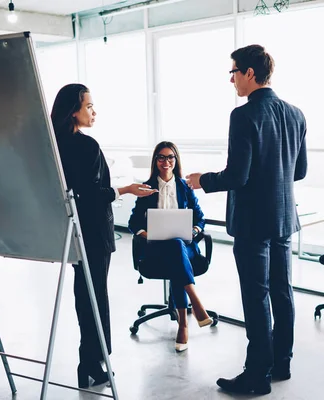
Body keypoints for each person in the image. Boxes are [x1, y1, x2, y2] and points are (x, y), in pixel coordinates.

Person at [186, 44, 308, 395]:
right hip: (284, 219)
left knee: (256, 298)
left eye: (234, 72)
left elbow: (237, 177)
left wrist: (203, 180)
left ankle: (257, 375)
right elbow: (298, 171)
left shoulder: (243, 115)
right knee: (283, 292)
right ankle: (281, 362)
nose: (232, 80)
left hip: (254, 223)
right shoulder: (296, 114)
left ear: (250, 74)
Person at [50, 83, 157, 388]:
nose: (94, 112)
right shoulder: (86, 146)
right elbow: (94, 196)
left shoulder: (53, 146)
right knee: (96, 296)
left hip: (70, 231)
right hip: (94, 233)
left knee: (84, 294)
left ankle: (89, 361)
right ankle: (96, 362)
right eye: (89, 106)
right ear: (74, 110)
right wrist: (125, 188)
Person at [128, 141, 214, 352]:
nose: (166, 162)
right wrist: (147, 234)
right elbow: (133, 222)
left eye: (170, 157)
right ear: (155, 161)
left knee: (176, 247)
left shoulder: (185, 187)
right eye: (161, 157)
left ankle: (183, 324)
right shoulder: (147, 188)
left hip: (184, 247)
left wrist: (194, 231)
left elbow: (200, 218)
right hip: (156, 249)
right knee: (173, 249)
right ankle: (194, 306)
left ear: (176, 161)